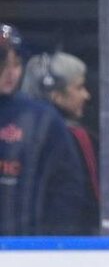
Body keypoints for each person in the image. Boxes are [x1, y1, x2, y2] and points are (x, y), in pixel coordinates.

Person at [0, 23, 90, 235]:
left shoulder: (41, 119)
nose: (11, 72)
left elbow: (67, 188)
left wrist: (49, 243)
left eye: (17, 63)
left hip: (29, 250)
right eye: (4, 62)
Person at [20, 51, 101, 231]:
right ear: (56, 95)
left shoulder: (18, 132)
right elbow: (92, 200)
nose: (86, 95)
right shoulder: (77, 137)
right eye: (79, 88)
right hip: (71, 240)